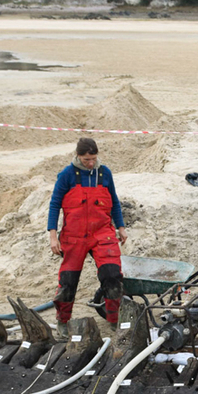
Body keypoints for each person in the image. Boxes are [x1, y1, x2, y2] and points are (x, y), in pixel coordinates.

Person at [47, 137, 127, 327]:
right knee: (68, 281)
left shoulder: (104, 173)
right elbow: (54, 204)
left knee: (112, 275)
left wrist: (121, 227)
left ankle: (115, 321)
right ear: (78, 156)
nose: (91, 164)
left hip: (102, 233)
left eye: (93, 159)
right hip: (74, 236)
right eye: (86, 160)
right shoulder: (66, 174)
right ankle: (63, 321)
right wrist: (52, 235)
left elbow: (114, 202)